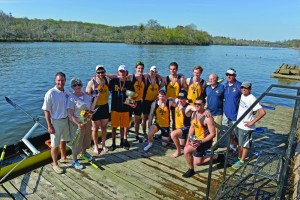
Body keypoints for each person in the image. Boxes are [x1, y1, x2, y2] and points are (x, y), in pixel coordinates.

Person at [182, 96, 224, 178]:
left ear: (204, 105)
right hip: (196, 138)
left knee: (186, 150)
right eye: (195, 104)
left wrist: (200, 142)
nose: (197, 106)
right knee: (197, 162)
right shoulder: (194, 114)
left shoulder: (208, 118)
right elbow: (192, 128)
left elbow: (213, 134)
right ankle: (218, 156)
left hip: (205, 141)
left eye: (199, 104)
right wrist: (188, 140)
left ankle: (191, 170)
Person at [232, 81, 266, 169]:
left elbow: (262, 112)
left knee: (245, 144)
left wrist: (252, 122)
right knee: (239, 143)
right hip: (239, 124)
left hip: (247, 127)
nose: (243, 89)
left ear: (250, 89)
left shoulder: (252, 98)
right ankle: (239, 158)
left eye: (246, 88)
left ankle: (242, 160)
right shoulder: (242, 95)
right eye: (242, 87)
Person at [42, 72, 70, 174]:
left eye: (62, 80)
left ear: (65, 80)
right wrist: (49, 125)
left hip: (65, 119)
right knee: (55, 144)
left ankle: (63, 157)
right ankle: (55, 164)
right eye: (58, 80)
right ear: (55, 81)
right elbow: (46, 110)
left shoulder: (66, 92)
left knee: (63, 141)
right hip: (56, 122)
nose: (60, 82)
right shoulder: (50, 93)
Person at [68, 78, 95, 169]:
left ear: (82, 85)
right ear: (72, 87)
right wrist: (78, 124)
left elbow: (90, 108)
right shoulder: (71, 98)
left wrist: (96, 98)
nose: (77, 86)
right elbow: (70, 114)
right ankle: (74, 160)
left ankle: (83, 153)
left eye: (79, 85)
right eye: (75, 85)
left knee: (87, 138)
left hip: (87, 121)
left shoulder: (87, 96)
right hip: (77, 123)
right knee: (77, 142)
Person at [86, 65, 110, 154]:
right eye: (98, 72)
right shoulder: (92, 82)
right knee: (95, 128)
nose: (100, 74)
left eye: (102, 72)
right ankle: (96, 146)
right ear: (96, 73)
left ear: (104, 72)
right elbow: (86, 95)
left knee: (104, 127)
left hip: (105, 106)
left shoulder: (107, 80)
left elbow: (115, 76)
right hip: (95, 108)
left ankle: (103, 145)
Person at [109, 65, 134, 151]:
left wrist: (128, 102)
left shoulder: (129, 83)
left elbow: (132, 97)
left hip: (125, 109)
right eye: (120, 71)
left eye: (123, 71)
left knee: (124, 127)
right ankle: (113, 143)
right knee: (114, 127)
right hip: (115, 108)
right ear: (118, 73)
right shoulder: (113, 81)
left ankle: (123, 141)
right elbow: (106, 81)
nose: (122, 73)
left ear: (126, 73)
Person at [161, 62, 187, 130]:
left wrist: (186, 100)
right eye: (171, 69)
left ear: (177, 69)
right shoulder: (166, 79)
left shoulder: (181, 79)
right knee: (166, 118)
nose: (172, 71)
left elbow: (186, 89)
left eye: (174, 69)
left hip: (176, 102)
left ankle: (174, 132)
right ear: (169, 69)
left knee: (174, 118)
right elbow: (158, 88)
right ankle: (166, 133)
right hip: (167, 102)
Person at [170, 90, 194, 158]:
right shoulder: (177, 103)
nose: (180, 100)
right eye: (179, 98)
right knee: (182, 144)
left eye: (182, 99)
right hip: (179, 129)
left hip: (187, 127)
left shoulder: (188, 107)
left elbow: (195, 108)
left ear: (186, 99)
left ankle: (178, 151)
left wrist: (206, 111)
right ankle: (187, 141)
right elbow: (171, 99)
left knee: (173, 134)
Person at [223, 68, 242, 153]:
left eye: (230, 74)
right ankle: (231, 146)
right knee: (228, 132)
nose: (228, 76)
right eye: (227, 74)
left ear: (235, 75)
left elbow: (246, 98)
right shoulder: (225, 85)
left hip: (235, 114)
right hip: (226, 114)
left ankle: (238, 148)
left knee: (236, 134)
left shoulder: (239, 86)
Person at [127, 61, 146, 143]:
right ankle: (125, 135)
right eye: (139, 68)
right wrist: (105, 75)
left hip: (139, 102)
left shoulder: (145, 77)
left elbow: (154, 74)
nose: (140, 70)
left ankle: (137, 134)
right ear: (136, 69)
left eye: (141, 68)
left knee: (137, 119)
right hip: (130, 101)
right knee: (128, 119)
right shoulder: (131, 77)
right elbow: (118, 76)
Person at [142, 66, 162, 138]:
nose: (153, 73)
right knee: (145, 117)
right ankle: (144, 132)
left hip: (154, 101)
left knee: (153, 117)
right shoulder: (146, 79)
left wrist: (157, 74)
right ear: (149, 72)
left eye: (155, 72)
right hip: (146, 101)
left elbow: (164, 80)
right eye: (152, 71)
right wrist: (148, 73)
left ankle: (151, 131)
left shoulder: (158, 79)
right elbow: (140, 75)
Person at [205, 73, 225, 146]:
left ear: (216, 79)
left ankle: (215, 146)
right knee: (209, 129)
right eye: (209, 79)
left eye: (212, 79)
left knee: (217, 130)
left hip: (218, 112)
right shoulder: (207, 88)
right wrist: (206, 109)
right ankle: (209, 143)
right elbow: (205, 99)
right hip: (209, 112)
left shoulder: (222, 87)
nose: (210, 80)